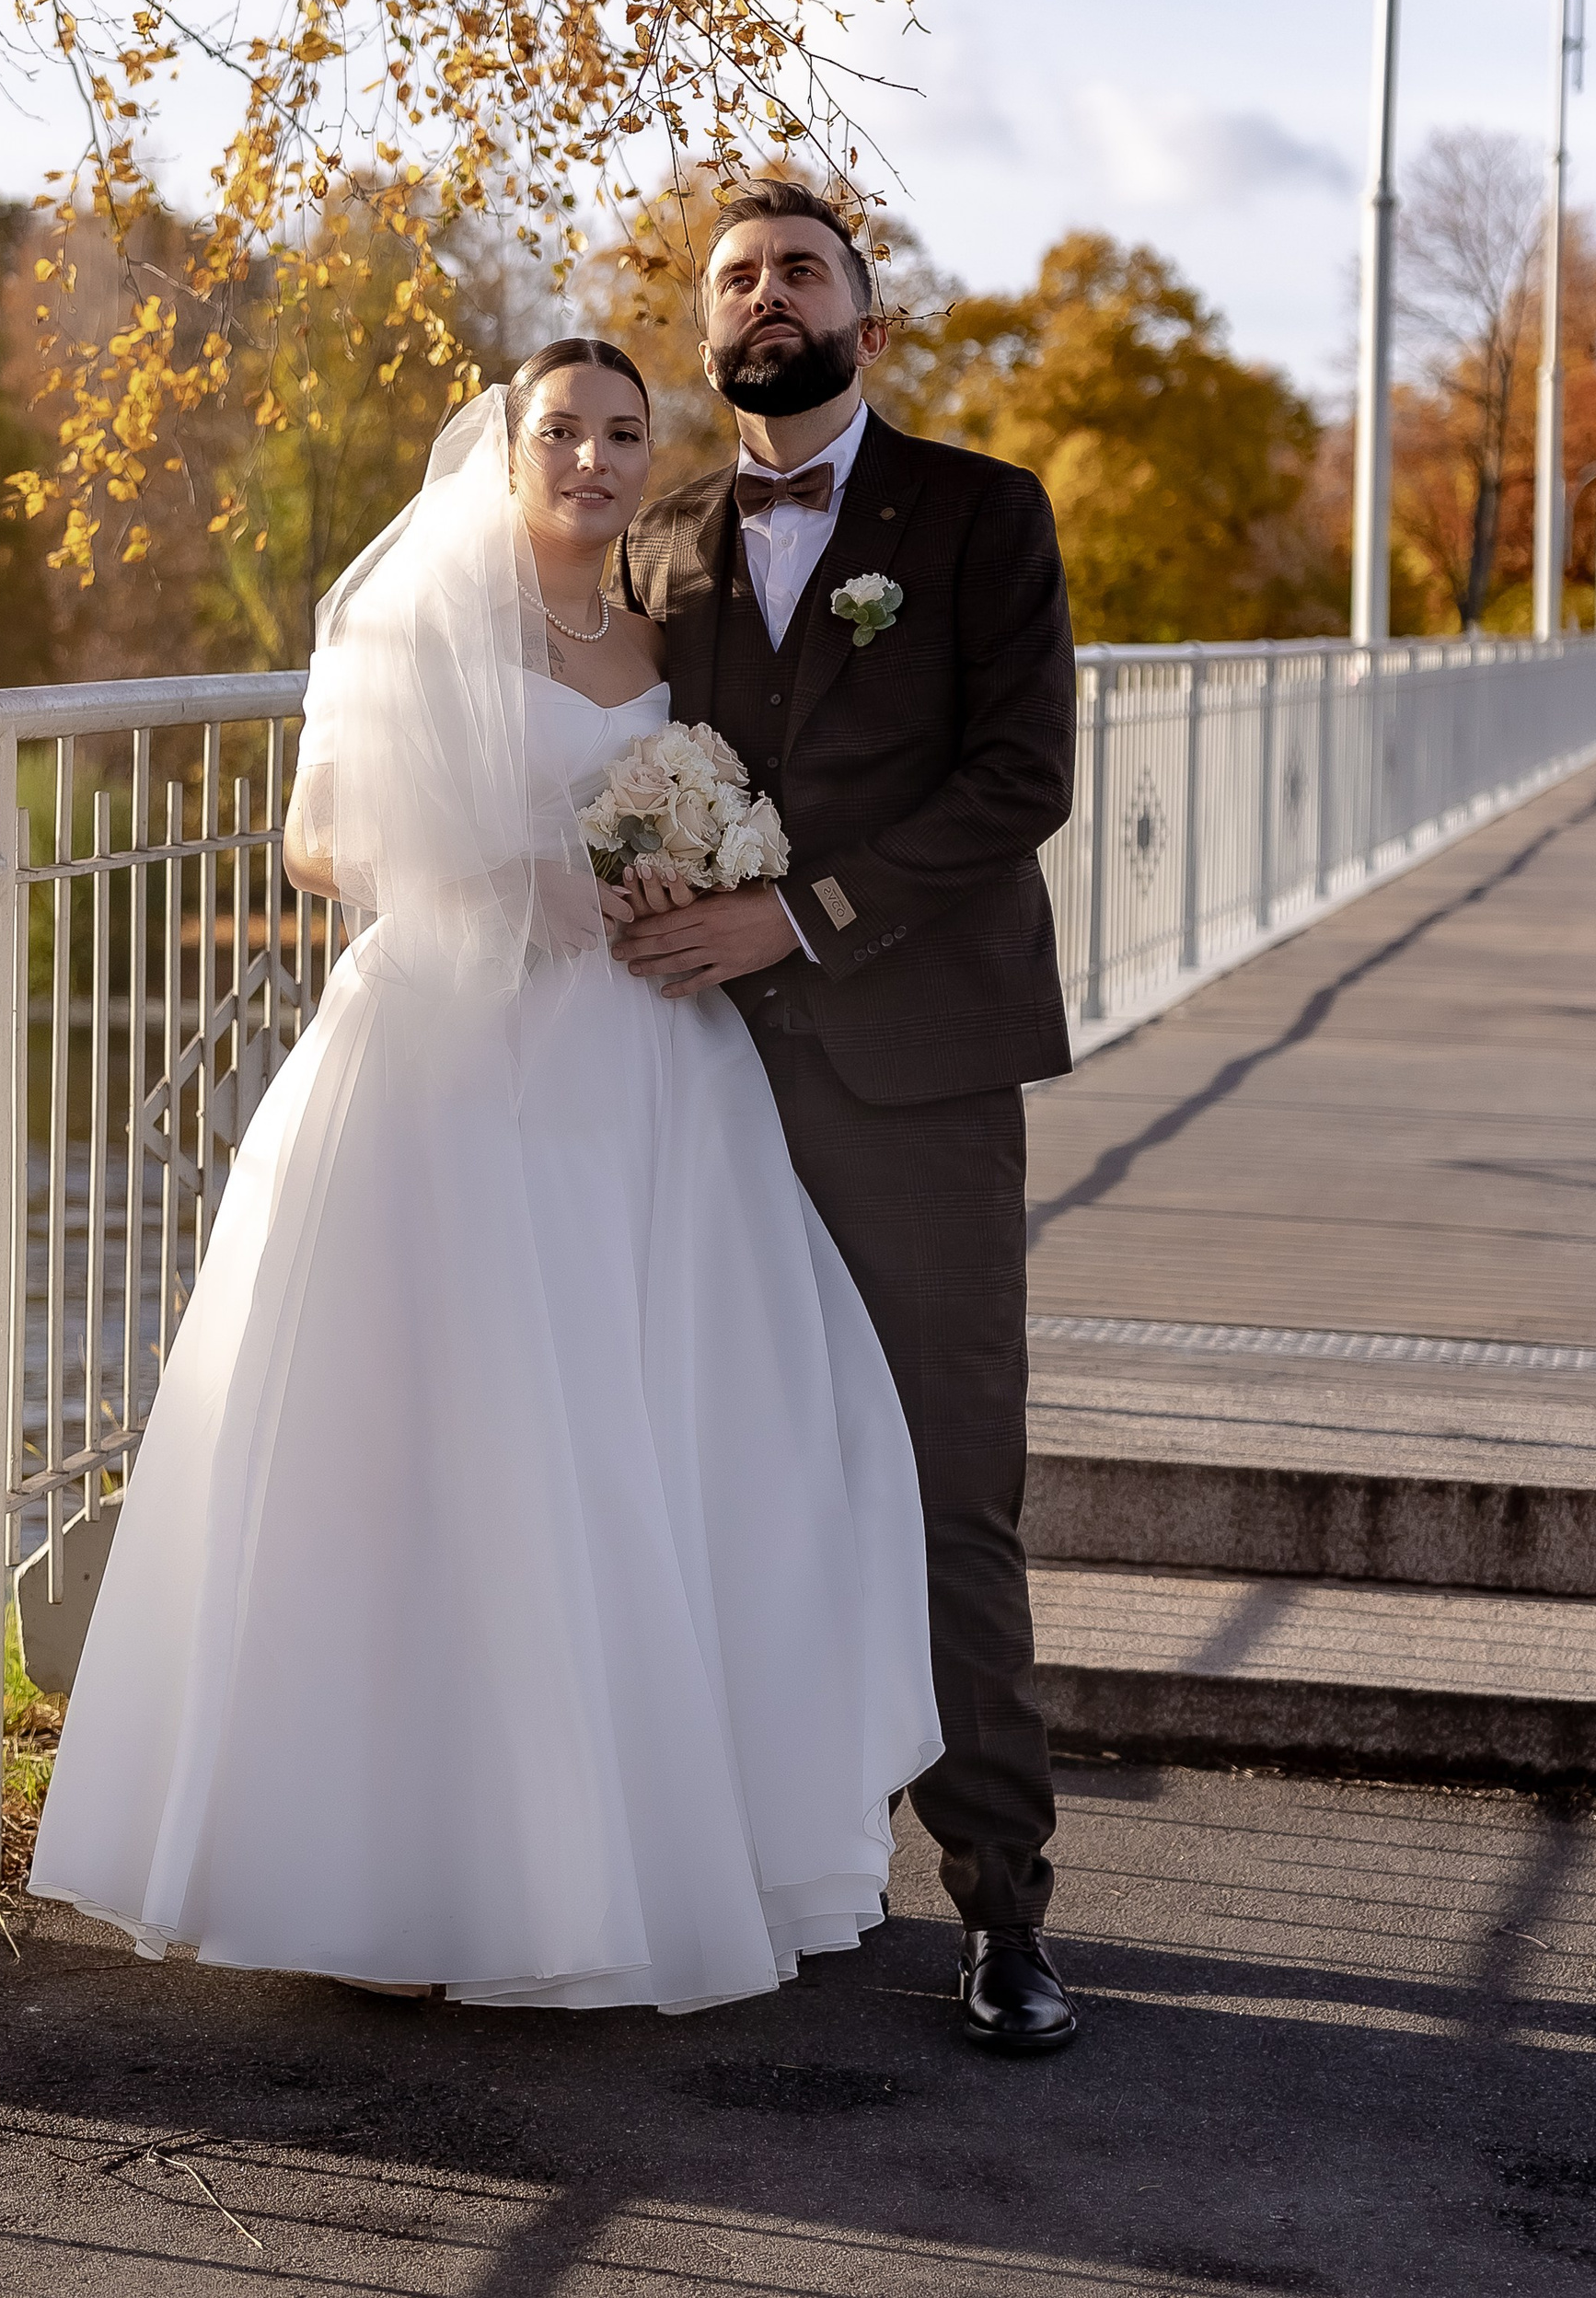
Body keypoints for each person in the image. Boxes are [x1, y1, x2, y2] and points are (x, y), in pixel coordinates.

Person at [29, 341, 942, 2012]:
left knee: (669, 1422)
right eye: (562, 432)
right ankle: (420, 1857)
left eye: (620, 433)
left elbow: (702, 807)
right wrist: (521, 880)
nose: (592, 459)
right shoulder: (416, 618)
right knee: (456, 1438)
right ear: (508, 447)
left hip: (649, 1064)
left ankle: (636, 1843)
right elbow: (319, 842)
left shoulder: (659, 633)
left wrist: (680, 866)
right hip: (453, 1054)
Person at [610, 184, 1081, 2056]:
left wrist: (802, 914)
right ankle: (753, 1866)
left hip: (916, 1073)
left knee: (949, 1490)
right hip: (695, 1089)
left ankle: (1006, 1916)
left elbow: (1021, 775)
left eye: (800, 270)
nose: (765, 296)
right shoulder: (652, 543)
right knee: (709, 1476)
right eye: (734, 278)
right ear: (707, 331)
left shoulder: (978, 513)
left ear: (864, 324)